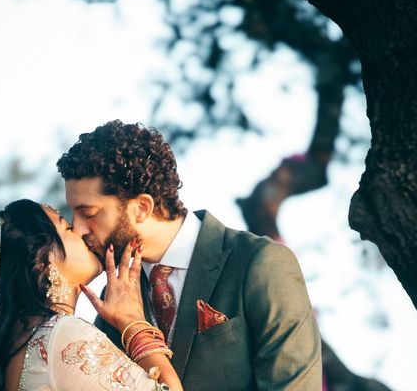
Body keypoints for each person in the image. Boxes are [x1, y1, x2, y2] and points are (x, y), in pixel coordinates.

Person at [58, 120, 323, 390]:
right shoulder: (113, 301)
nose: (77, 229)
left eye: (88, 213)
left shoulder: (260, 263)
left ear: (142, 208)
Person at [0, 199, 183, 390]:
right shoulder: (60, 335)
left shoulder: (23, 348)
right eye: (66, 228)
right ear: (43, 261)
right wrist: (133, 324)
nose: (81, 232)